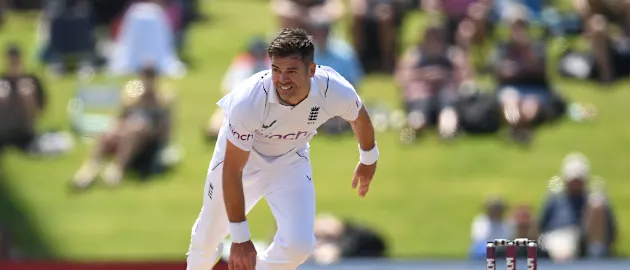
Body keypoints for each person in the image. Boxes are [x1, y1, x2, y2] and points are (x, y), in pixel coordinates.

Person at [186, 28, 379, 270]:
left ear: (311, 70)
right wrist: (240, 238)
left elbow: (359, 116)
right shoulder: (249, 99)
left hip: (291, 161)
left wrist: (369, 157)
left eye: (291, 71)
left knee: (299, 246)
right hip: (243, 163)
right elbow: (232, 170)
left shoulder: (333, 88)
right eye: (276, 70)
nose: (282, 80)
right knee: (206, 240)